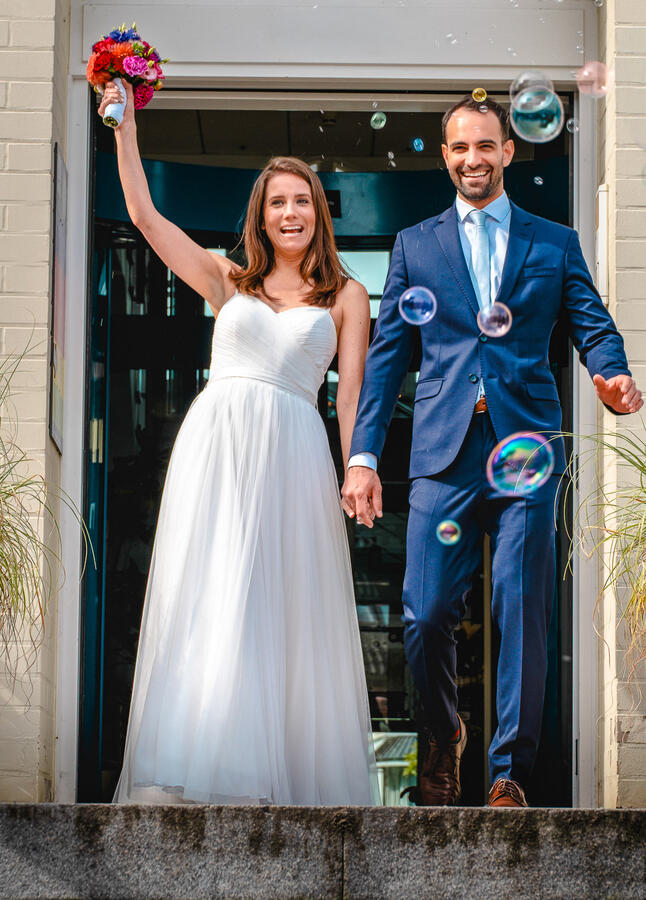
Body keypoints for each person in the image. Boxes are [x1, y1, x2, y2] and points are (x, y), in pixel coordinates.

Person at [342, 95, 642, 809]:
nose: (472, 159)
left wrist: (613, 372)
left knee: (520, 602)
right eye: (458, 148)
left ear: (509, 151)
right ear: (444, 156)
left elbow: (592, 324)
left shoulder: (554, 242)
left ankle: (511, 771)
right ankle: (444, 739)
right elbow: (387, 361)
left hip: (525, 447)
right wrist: (361, 456)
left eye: (485, 146)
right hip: (443, 456)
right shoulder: (416, 245)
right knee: (422, 612)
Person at [99, 80, 378, 805]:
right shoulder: (229, 281)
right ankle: (205, 761)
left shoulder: (346, 296)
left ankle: (274, 772)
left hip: (294, 450)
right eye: (278, 202)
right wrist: (126, 130)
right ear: (261, 216)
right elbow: (145, 217)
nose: (291, 212)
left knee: (281, 604)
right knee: (215, 590)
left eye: (302, 201)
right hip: (218, 449)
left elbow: (350, 395)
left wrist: (358, 465)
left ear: (319, 214)